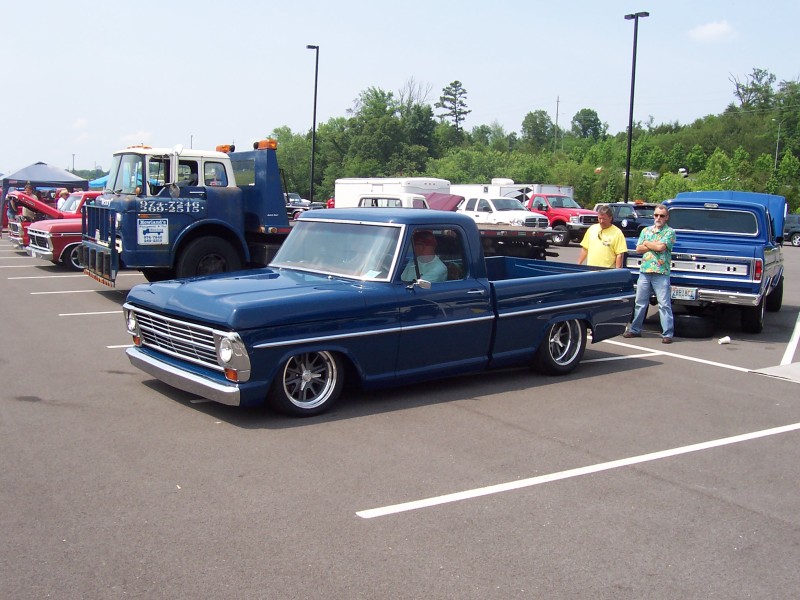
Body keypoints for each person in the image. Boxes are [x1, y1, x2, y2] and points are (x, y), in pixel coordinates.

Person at [624, 204, 676, 344]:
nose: (658, 218)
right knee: (640, 302)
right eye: (656, 215)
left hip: (661, 272)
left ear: (667, 218)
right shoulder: (646, 230)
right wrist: (651, 244)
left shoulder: (669, 232)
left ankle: (667, 333)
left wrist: (647, 243)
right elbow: (639, 249)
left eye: (661, 216)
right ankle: (635, 329)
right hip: (645, 271)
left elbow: (661, 247)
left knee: (664, 304)